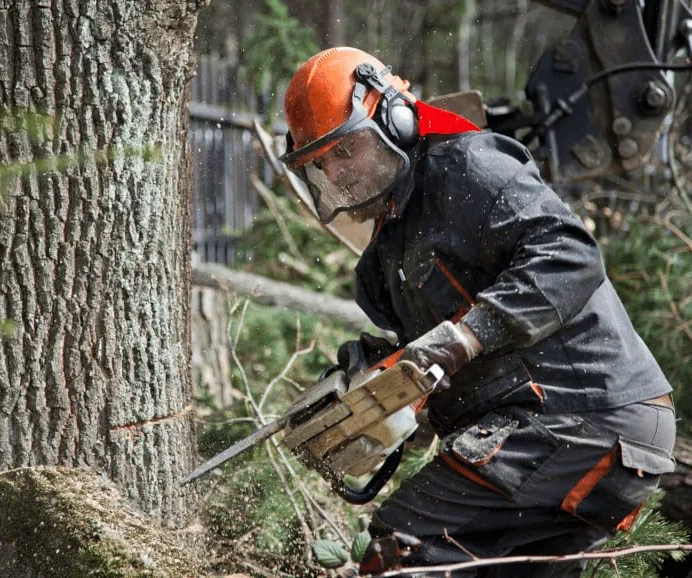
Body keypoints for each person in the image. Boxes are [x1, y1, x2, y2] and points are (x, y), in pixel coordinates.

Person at [279, 46, 677, 577]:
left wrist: (468, 336)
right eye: (321, 163)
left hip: (583, 417)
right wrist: (375, 389)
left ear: (393, 118)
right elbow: (436, 356)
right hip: (566, 433)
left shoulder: (466, 167)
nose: (338, 173)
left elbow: (569, 256)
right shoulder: (386, 255)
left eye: (347, 151)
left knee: (403, 547)